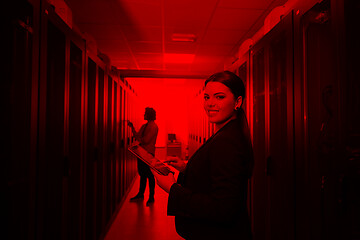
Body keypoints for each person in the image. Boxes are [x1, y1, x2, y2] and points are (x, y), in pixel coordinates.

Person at [152, 71, 254, 239]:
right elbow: (216, 174)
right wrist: (186, 168)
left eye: (219, 97)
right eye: (207, 97)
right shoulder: (226, 133)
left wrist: (172, 189)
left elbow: (223, 209)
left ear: (238, 102)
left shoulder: (227, 141)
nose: (210, 104)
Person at [128, 107, 159, 206]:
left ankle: (151, 197)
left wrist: (140, 139)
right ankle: (141, 194)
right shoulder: (144, 126)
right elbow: (137, 136)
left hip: (148, 154)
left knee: (150, 176)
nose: (144, 115)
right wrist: (132, 128)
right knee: (142, 175)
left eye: (145, 113)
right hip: (141, 153)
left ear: (149, 114)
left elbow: (146, 140)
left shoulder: (154, 127)